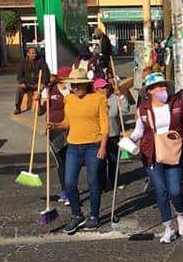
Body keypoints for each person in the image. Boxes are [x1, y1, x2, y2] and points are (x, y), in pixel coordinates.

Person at [130, 72, 183, 243]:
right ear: (149, 91)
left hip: (172, 150)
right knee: (161, 190)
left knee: (175, 190)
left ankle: (181, 215)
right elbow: (139, 130)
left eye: (164, 86)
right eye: (157, 87)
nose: (162, 89)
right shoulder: (143, 108)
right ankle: (168, 227)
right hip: (151, 152)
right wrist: (130, 139)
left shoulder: (175, 103)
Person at [48, 68, 109, 234]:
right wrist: (55, 125)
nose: (75, 88)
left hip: (93, 145)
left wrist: (103, 146)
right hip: (73, 146)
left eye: (78, 85)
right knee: (69, 183)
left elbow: (105, 125)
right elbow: (67, 122)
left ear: (85, 84)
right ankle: (77, 215)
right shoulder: (69, 99)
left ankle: (94, 216)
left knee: (93, 182)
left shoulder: (98, 98)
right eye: (72, 85)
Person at [43, 67, 71, 204]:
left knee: (70, 160)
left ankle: (71, 189)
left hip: (70, 128)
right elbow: (40, 111)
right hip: (54, 129)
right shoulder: (49, 90)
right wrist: (38, 101)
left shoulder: (72, 89)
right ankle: (65, 190)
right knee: (61, 161)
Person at [97, 77, 128, 187]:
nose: (105, 89)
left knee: (113, 160)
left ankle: (115, 181)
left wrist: (121, 96)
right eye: (102, 88)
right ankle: (102, 183)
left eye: (106, 87)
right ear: (96, 89)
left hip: (113, 134)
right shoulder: (93, 100)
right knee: (100, 161)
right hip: (98, 136)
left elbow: (125, 109)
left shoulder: (114, 98)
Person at [14, 46, 50, 115]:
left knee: (38, 93)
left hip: (38, 84)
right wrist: (21, 82)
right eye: (32, 53)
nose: (35, 55)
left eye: (35, 53)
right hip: (27, 84)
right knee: (19, 90)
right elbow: (19, 74)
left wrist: (44, 83)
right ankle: (17, 107)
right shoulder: (23, 61)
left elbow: (46, 72)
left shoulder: (41, 60)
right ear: (28, 54)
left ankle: (39, 108)